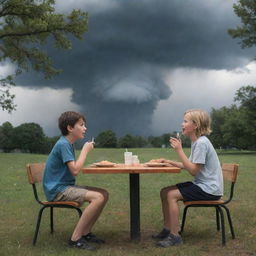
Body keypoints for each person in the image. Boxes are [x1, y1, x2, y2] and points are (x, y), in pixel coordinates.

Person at [153, 109, 223, 248]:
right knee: (164, 191)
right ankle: (168, 229)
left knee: (171, 195)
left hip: (209, 189)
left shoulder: (201, 143)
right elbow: (189, 164)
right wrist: (167, 161)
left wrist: (179, 150)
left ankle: (175, 236)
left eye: (185, 121)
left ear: (195, 125)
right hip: (203, 185)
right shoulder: (197, 142)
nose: (182, 124)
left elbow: (193, 170)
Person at [43, 111, 108, 250]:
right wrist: (85, 150)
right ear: (70, 128)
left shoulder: (68, 144)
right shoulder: (63, 144)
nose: (85, 128)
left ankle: (86, 233)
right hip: (58, 191)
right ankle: (75, 239)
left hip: (63, 187)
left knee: (104, 194)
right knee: (98, 197)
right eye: (82, 125)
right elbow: (75, 171)